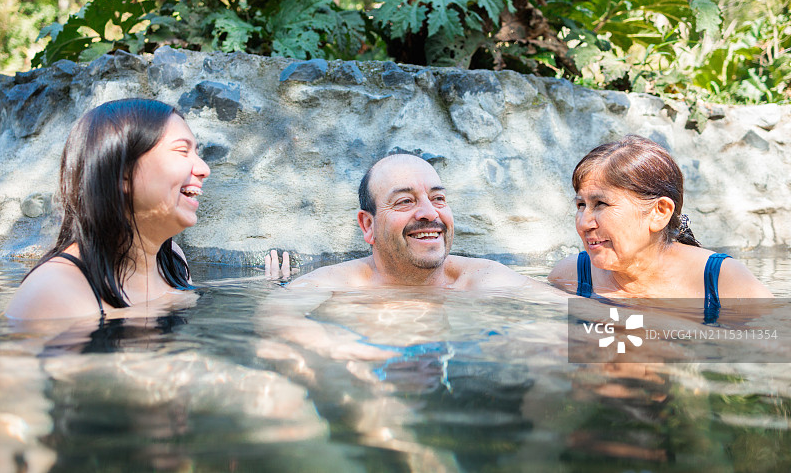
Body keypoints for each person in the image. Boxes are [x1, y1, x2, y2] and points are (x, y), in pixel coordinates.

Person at [6, 99, 211, 320]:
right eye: (182, 150)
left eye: (196, 153)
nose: (204, 169)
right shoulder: (56, 290)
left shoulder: (172, 262)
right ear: (121, 173)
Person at [548, 135, 772, 306]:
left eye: (601, 204)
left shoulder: (722, 282)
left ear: (660, 212)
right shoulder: (574, 276)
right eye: (581, 205)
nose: (584, 223)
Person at [284, 153, 531, 289]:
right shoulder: (337, 287)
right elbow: (278, 325)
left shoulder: (483, 280)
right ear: (369, 226)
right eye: (405, 201)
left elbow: (568, 319)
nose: (430, 213)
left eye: (438, 198)